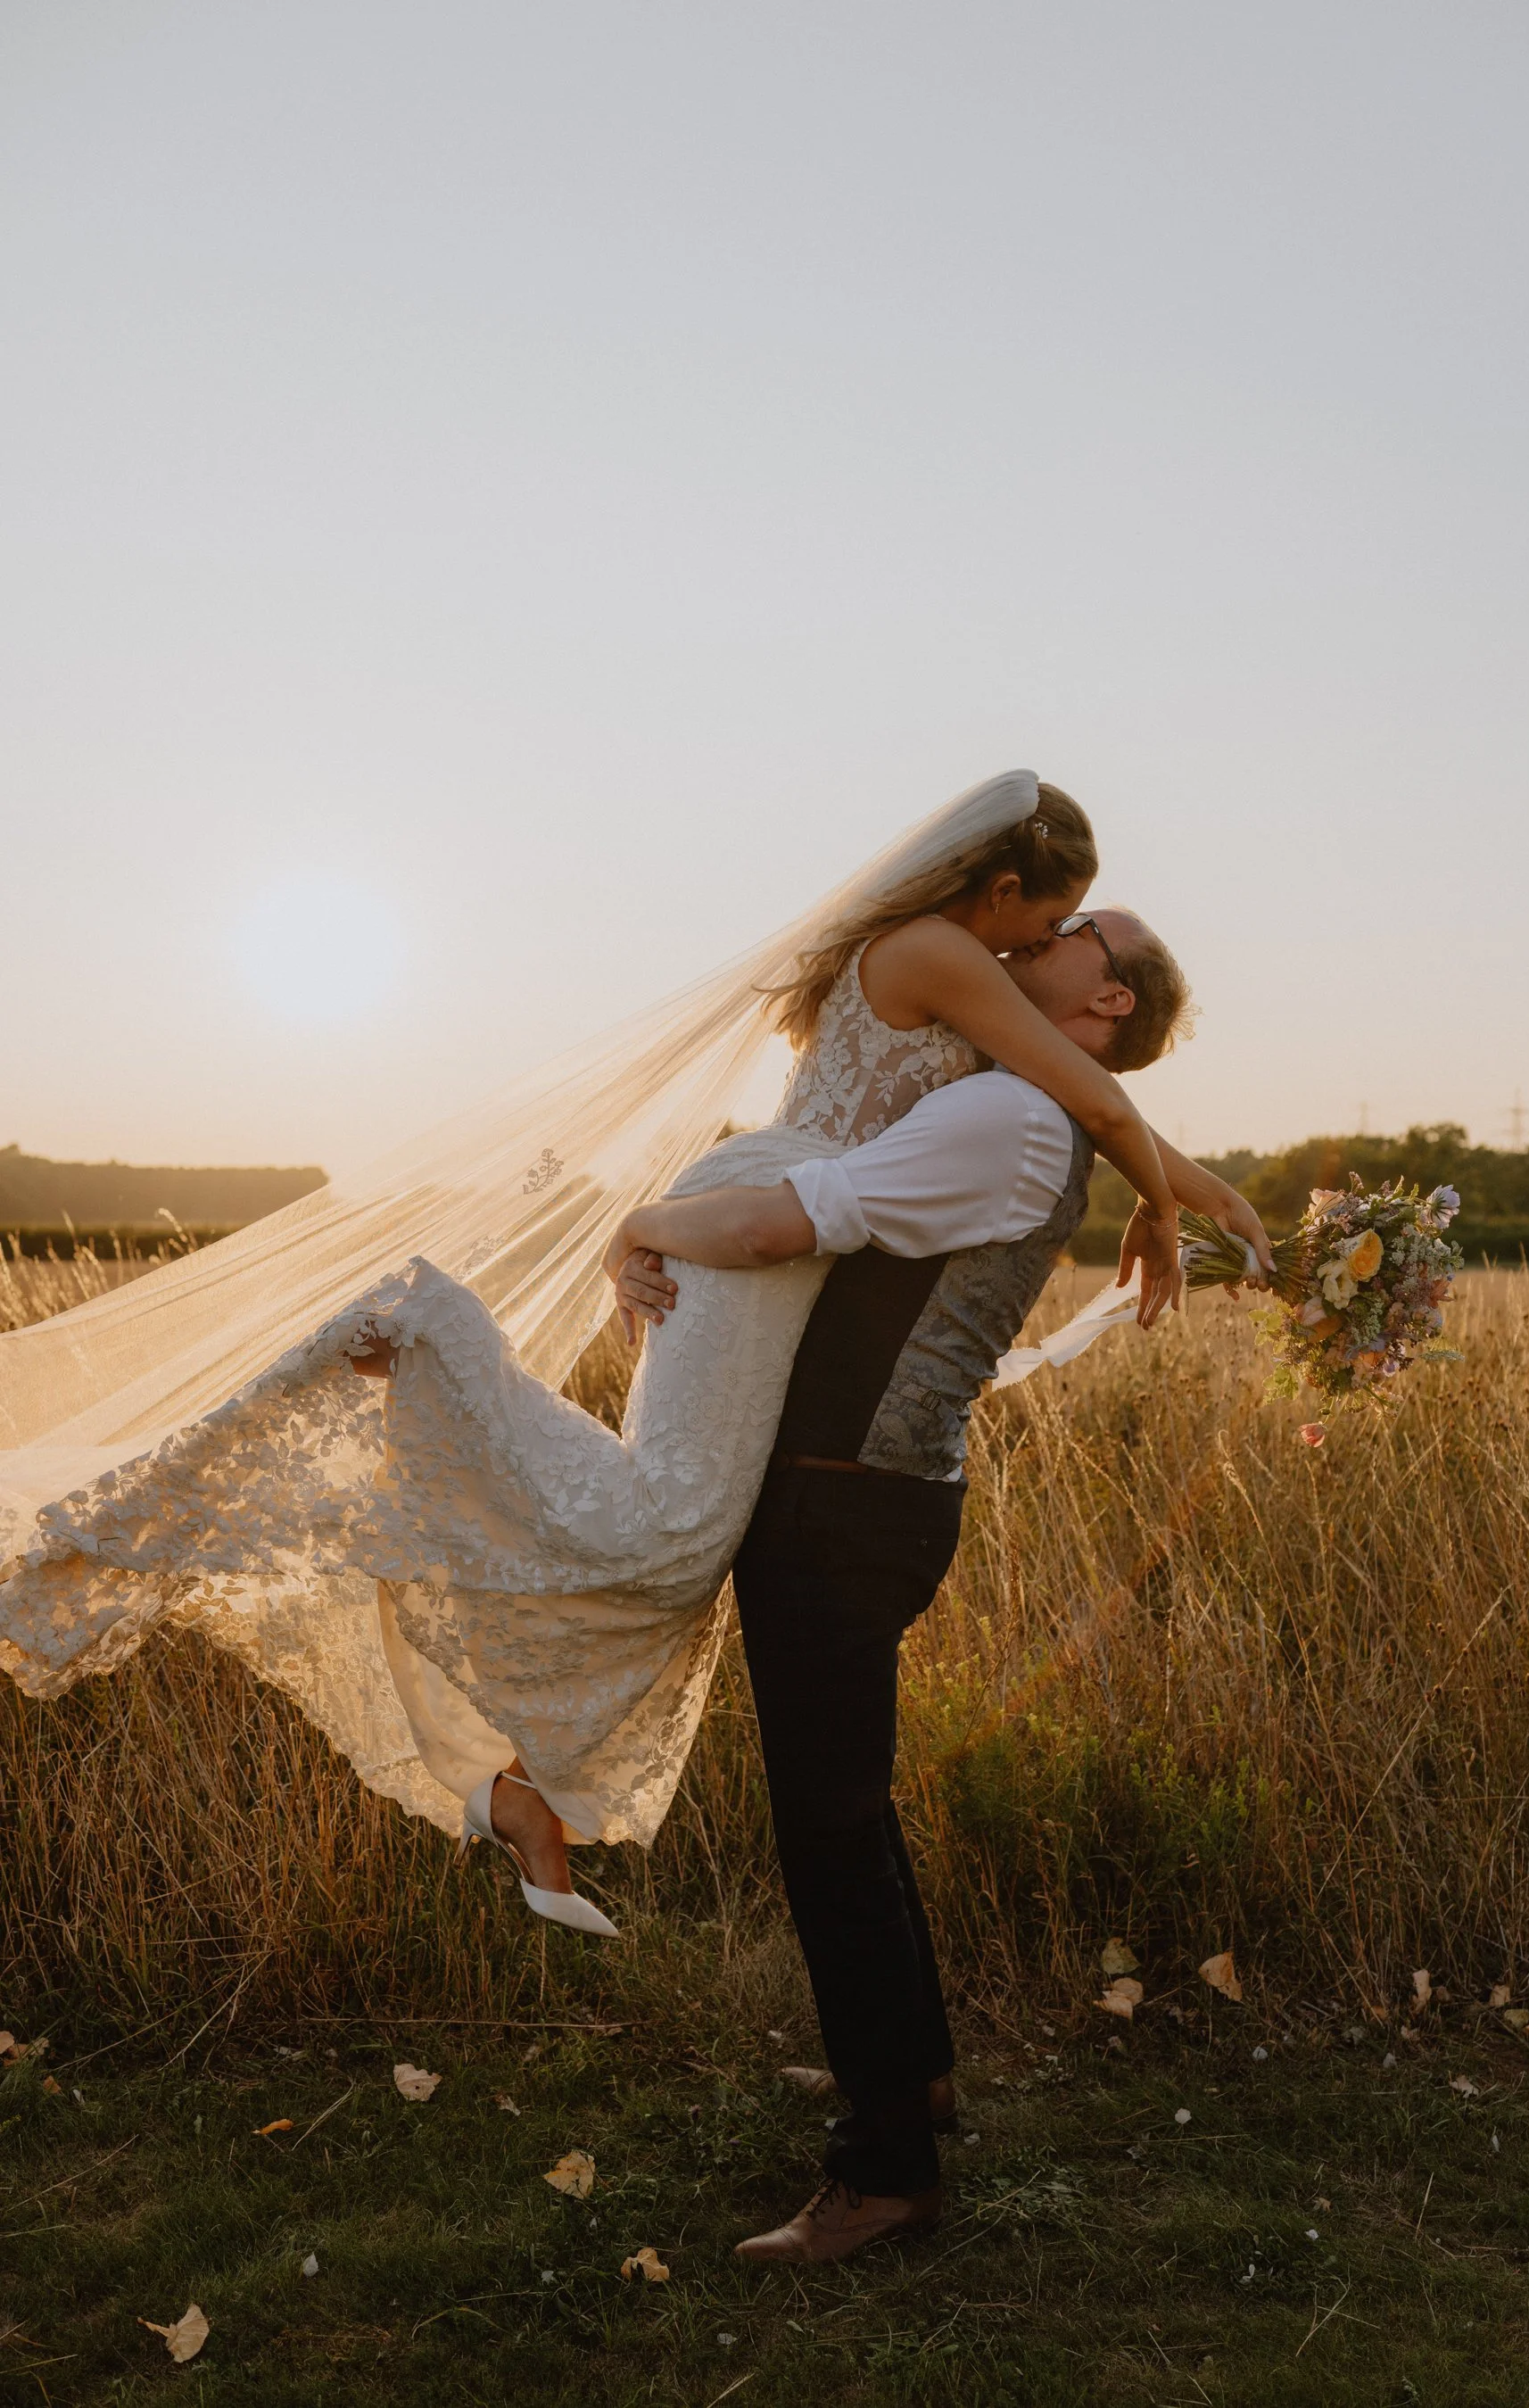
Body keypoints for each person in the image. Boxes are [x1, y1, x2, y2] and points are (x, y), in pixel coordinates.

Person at [347, 794, 1261, 1933]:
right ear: (1005, 889)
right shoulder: (937, 950)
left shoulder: (967, 976)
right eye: (1058, 918)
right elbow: (1092, 1093)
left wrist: (1205, 1198)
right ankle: (433, 1333)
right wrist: (1169, 1216)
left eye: (1072, 933)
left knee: (681, 1531)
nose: (1043, 942)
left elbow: (1089, 1090)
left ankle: (527, 1786)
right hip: (759, 1224)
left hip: (773, 1225)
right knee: (672, 1524)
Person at [605, 913, 1262, 2261]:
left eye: (1087, 933)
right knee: (853, 1815)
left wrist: (642, 1220)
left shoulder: (1011, 1122)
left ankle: (885, 2166)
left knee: (827, 1831)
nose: (1055, 930)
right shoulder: (1021, 1106)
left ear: (1108, 995)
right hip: (864, 1496)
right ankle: (912, 2068)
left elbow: (791, 1221)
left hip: (849, 1508)